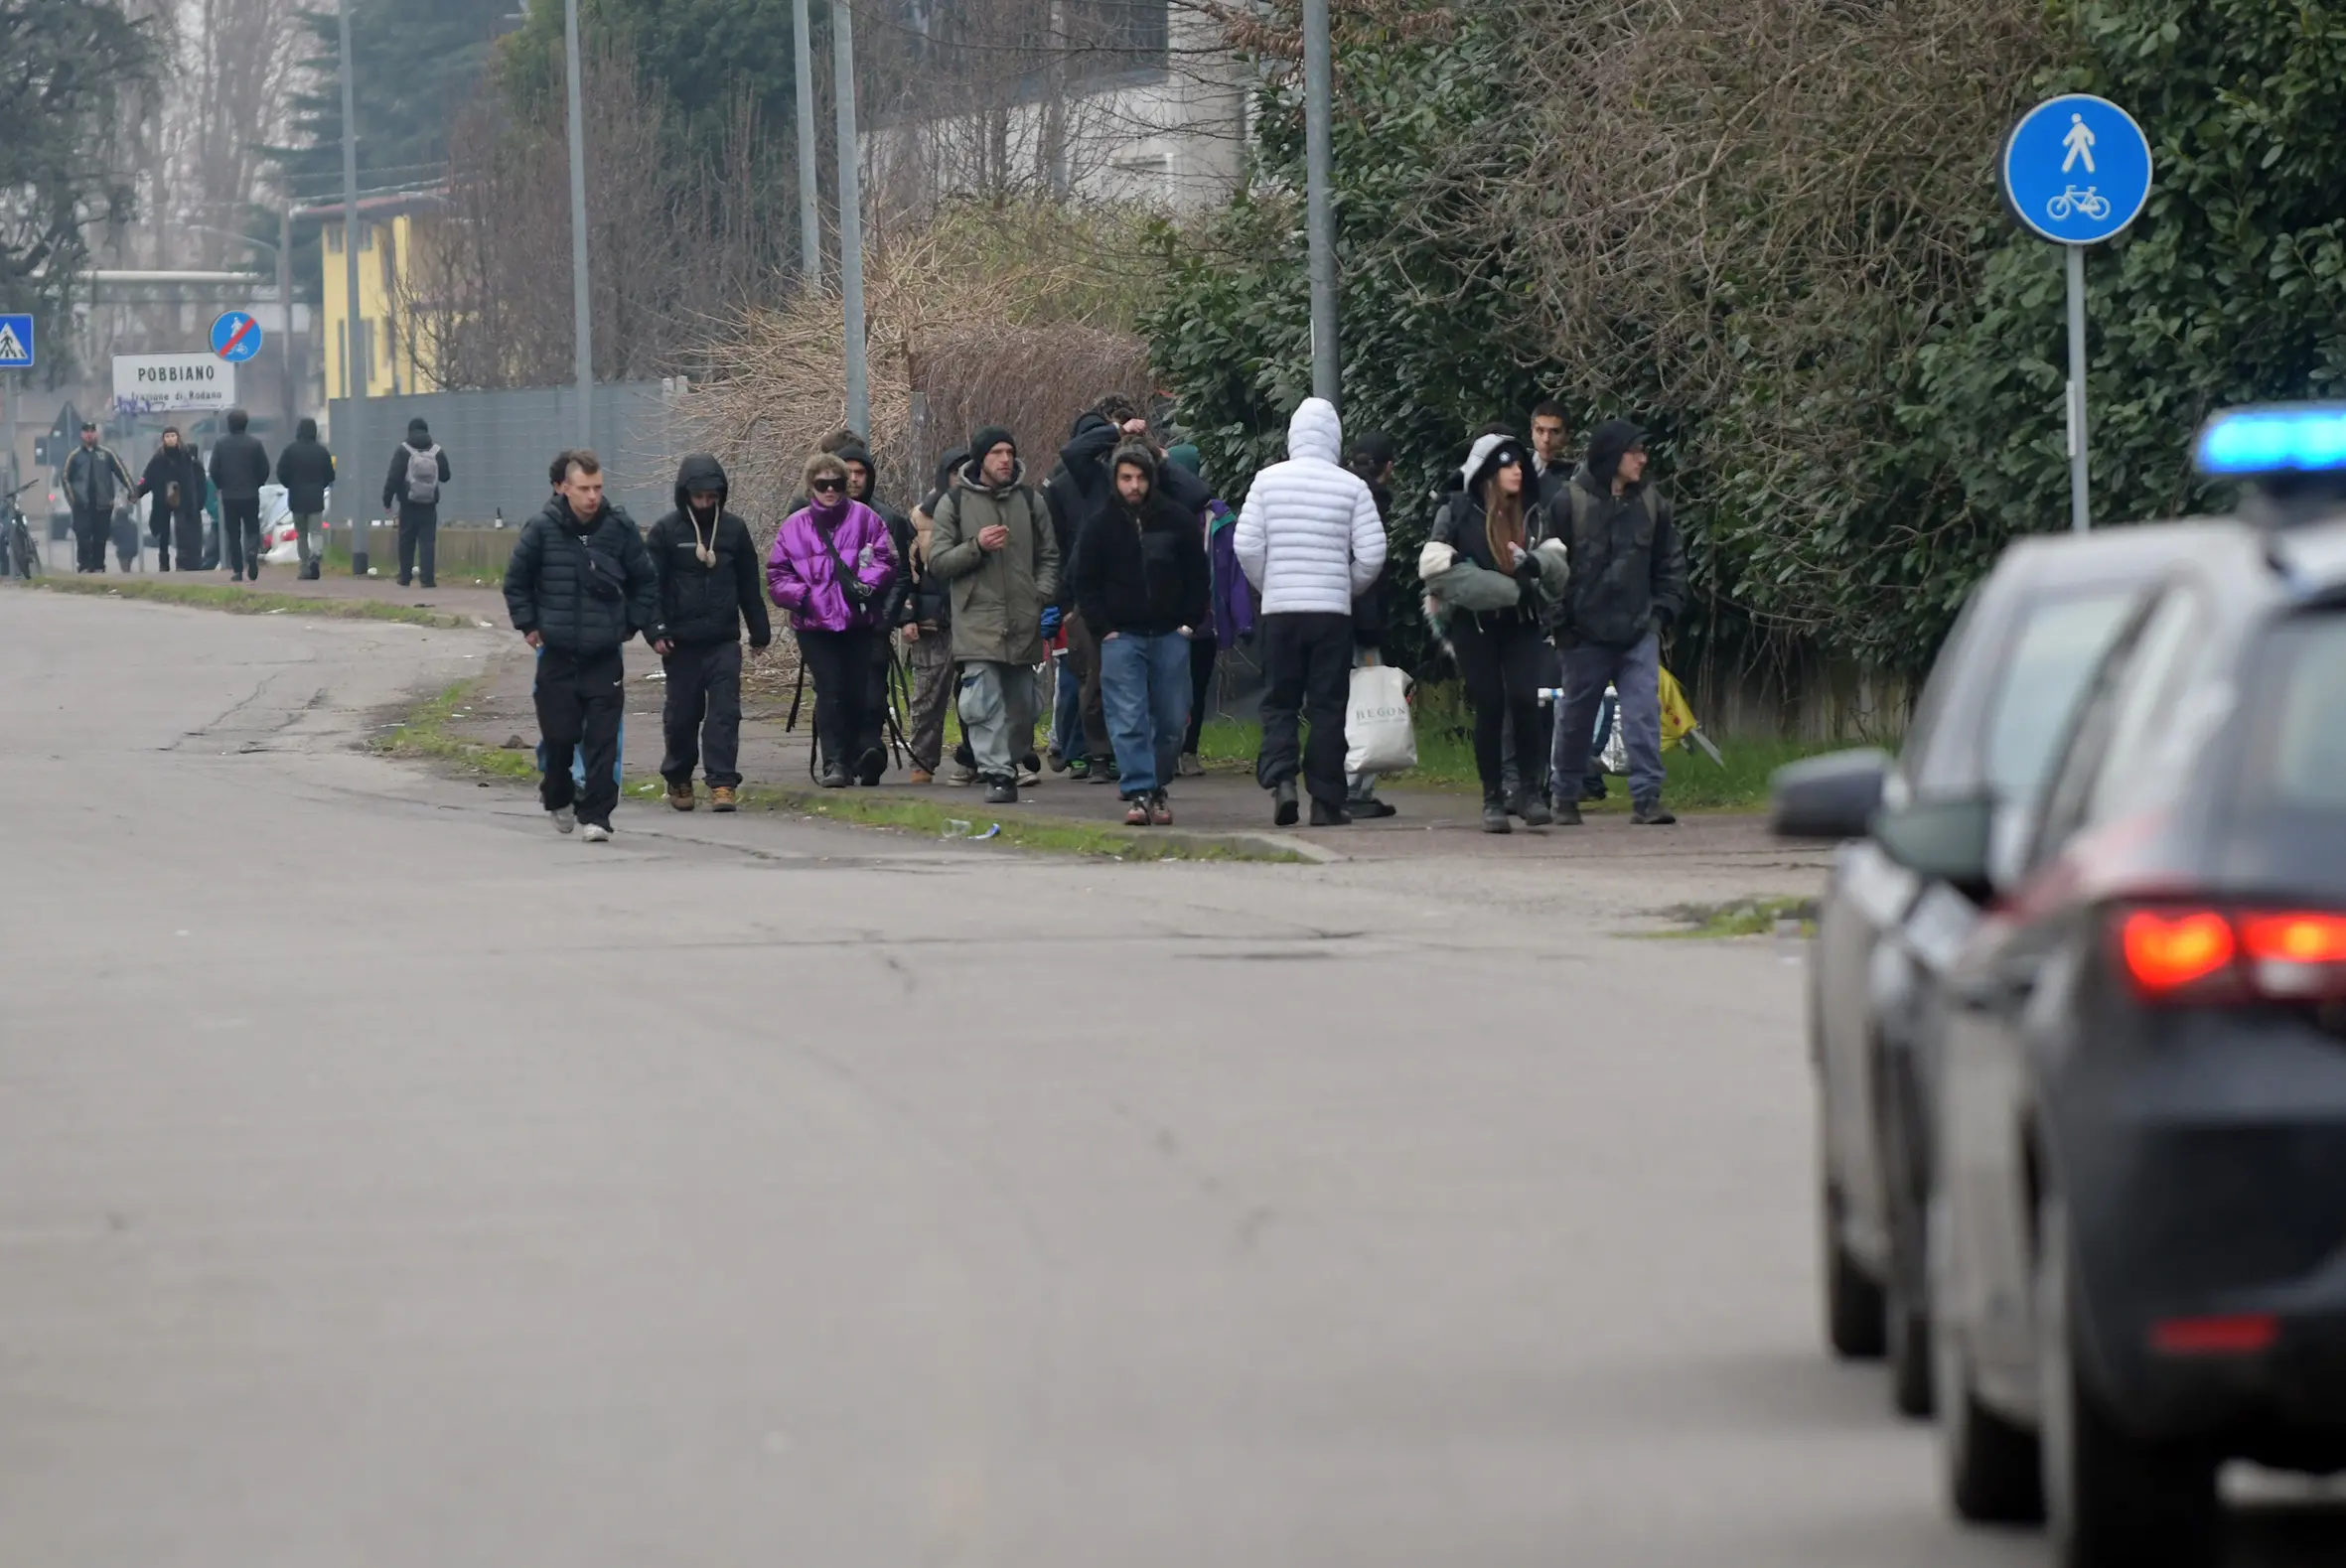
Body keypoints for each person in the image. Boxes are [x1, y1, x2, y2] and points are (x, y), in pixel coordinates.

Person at [1234, 396, 1388, 827]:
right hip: (1331, 614)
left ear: (1292, 437)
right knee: (1327, 706)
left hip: (1282, 611)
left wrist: (1271, 584)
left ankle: (1282, 781)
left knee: (1280, 700)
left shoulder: (1267, 481)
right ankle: (1326, 802)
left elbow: (1245, 545)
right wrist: (1346, 586)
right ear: (1335, 439)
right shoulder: (1352, 486)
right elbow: (1373, 554)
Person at [503, 449, 659, 842]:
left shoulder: (619, 527)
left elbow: (646, 580)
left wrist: (632, 622)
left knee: (603, 740)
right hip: (557, 652)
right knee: (560, 735)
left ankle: (599, 816)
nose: (592, 496)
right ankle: (558, 794)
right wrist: (529, 624)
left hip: (604, 654)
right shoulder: (541, 528)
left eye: (598, 488)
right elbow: (516, 580)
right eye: (584, 488)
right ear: (564, 488)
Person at [1548, 419, 1689, 826]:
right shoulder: (1567, 503)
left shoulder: (1652, 504)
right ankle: (1566, 795)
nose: (1643, 459)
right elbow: (1549, 569)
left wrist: (1660, 613)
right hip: (1582, 635)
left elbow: (1670, 562)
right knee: (1575, 716)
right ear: (1612, 456)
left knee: (1644, 711)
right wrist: (1562, 624)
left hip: (1638, 630)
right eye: (1635, 451)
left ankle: (1647, 798)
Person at [1429, 433, 1563, 833]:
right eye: (1507, 465)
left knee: (1526, 701)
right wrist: (1502, 588)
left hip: (1522, 622)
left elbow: (1558, 564)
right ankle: (1492, 798)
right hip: (1474, 625)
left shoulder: (1533, 513)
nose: (1517, 470)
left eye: (1520, 464)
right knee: (1490, 703)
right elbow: (1436, 568)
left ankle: (1530, 793)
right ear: (1488, 472)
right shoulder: (1455, 510)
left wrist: (1537, 565)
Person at [1075, 441, 1211, 826]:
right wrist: (1104, 628)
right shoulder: (1100, 524)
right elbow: (1085, 580)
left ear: (1152, 479)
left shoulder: (1177, 520)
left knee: (1171, 719)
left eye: (1140, 478)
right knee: (1128, 716)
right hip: (1122, 637)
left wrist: (1189, 623)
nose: (1133, 486)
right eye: (1125, 478)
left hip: (1170, 633)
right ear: (1115, 480)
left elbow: (1198, 576)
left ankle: (1158, 784)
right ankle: (1139, 790)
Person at [928, 426, 1059, 805]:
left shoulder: (1031, 501)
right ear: (980, 460)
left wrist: (1041, 594)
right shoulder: (954, 503)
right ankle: (998, 774)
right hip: (976, 620)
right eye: (996, 453)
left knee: (1023, 706)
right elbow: (937, 562)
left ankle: (1013, 759)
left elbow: (1050, 556)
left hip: (1023, 618)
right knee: (983, 702)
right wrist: (976, 547)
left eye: (1009, 452)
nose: (1005, 459)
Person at [768, 450, 900, 788]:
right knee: (830, 690)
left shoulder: (866, 519)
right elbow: (777, 574)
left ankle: (857, 753)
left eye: (837, 483)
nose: (830, 490)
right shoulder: (794, 526)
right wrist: (805, 598)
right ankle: (834, 763)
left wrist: (865, 587)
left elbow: (887, 558)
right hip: (815, 626)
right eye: (823, 484)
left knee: (858, 692)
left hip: (857, 622)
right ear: (811, 486)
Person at [647, 452, 771, 811]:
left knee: (724, 713)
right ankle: (679, 777)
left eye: (711, 497)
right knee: (682, 714)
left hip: (722, 640)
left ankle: (722, 782)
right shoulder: (666, 532)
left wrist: (759, 631)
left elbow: (749, 584)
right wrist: (656, 630)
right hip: (680, 643)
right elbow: (650, 587)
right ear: (685, 494)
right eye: (698, 497)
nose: (704, 504)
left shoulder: (734, 530)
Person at [838, 437, 913, 785]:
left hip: (872, 624)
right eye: (847, 473)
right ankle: (840, 756)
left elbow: (900, 575)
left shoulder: (887, 519)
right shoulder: (815, 519)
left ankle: (870, 751)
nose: (854, 480)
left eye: (860, 473)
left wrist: (885, 619)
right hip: (832, 626)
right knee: (836, 693)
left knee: (872, 694)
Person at [1342, 431, 1400, 818]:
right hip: (1361, 619)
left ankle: (1344, 786)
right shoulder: (1373, 504)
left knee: (1342, 702)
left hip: (1328, 615)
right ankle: (1356, 789)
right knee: (1366, 706)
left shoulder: (1340, 495)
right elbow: (1369, 570)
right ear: (1388, 468)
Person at [902, 446, 964, 784]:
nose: (961, 479)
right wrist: (907, 615)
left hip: (971, 616)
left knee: (974, 695)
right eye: (956, 472)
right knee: (927, 695)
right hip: (931, 620)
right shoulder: (920, 517)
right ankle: (921, 762)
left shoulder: (984, 511)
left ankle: (977, 760)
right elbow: (907, 572)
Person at [382, 417, 451, 588]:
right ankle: (427, 579)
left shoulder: (403, 450)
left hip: (408, 503)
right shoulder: (436, 450)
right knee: (427, 542)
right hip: (429, 504)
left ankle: (405, 577)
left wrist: (387, 499)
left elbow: (393, 478)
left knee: (406, 540)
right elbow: (446, 476)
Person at [208, 407, 271, 581]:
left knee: (233, 533)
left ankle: (237, 569)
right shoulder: (255, 444)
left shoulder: (221, 444)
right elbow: (264, 468)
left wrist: (221, 485)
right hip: (250, 493)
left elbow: (213, 469)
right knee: (252, 528)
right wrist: (257, 483)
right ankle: (251, 550)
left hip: (229, 495)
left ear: (228, 425)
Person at [63, 423, 132, 574]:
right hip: (82, 504)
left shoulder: (106, 454)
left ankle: (99, 566)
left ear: (97, 434)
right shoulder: (75, 456)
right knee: (83, 536)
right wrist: (73, 499)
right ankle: (84, 565)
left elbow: (121, 471)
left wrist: (131, 490)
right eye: (86, 432)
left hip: (103, 503)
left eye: (92, 432)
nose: (89, 435)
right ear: (82, 435)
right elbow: (65, 477)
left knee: (100, 537)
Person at [273, 417, 336, 580]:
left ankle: (305, 566)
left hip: (297, 498)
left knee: (301, 534)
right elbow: (330, 475)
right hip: (316, 497)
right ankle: (316, 555)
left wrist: (290, 484)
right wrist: (320, 485)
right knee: (316, 532)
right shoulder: (321, 451)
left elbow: (281, 472)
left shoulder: (290, 451)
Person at [135, 426, 203, 572]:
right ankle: (163, 562)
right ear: (163, 440)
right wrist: (137, 492)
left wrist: (197, 500)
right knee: (163, 532)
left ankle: (182, 562)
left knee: (182, 530)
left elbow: (195, 479)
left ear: (178, 438)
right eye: (167, 436)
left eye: (173, 436)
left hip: (183, 499)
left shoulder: (186, 456)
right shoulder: (158, 458)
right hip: (162, 499)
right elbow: (148, 478)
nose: (170, 439)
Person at [1530, 399, 1574, 510]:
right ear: (1531, 432)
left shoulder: (1577, 475)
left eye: (1555, 432)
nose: (1546, 439)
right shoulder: (1518, 468)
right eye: (1540, 430)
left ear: (1568, 435)